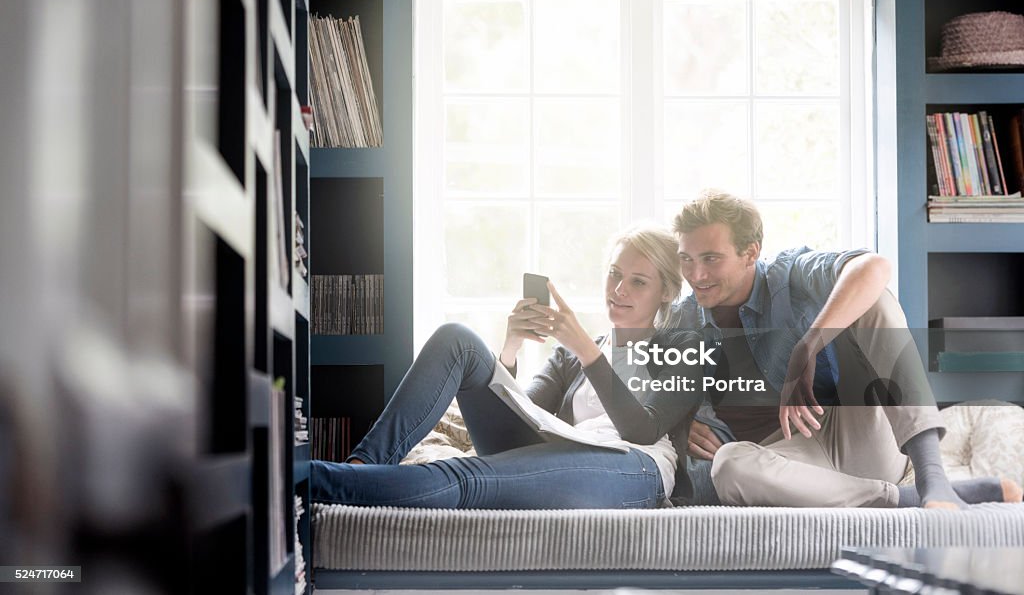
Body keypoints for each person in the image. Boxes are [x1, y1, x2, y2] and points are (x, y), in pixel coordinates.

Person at [311, 224, 705, 510]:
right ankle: (361, 466)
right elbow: (523, 412)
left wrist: (584, 346)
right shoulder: (571, 356)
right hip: (554, 449)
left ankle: (311, 479)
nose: (619, 290)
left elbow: (641, 428)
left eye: (638, 282)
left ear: (667, 292)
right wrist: (511, 348)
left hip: (630, 466)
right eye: (615, 275)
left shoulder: (685, 350)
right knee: (457, 338)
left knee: (466, 477)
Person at [671, 189, 1021, 509]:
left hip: (855, 430)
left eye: (711, 259)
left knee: (874, 298)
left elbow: (874, 266)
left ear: (750, 252)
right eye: (686, 259)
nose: (696, 274)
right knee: (729, 464)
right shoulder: (684, 323)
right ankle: (907, 498)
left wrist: (807, 346)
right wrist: (679, 422)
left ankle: (934, 479)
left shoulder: (789, 273)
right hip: (791, 463)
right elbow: (650, 395)